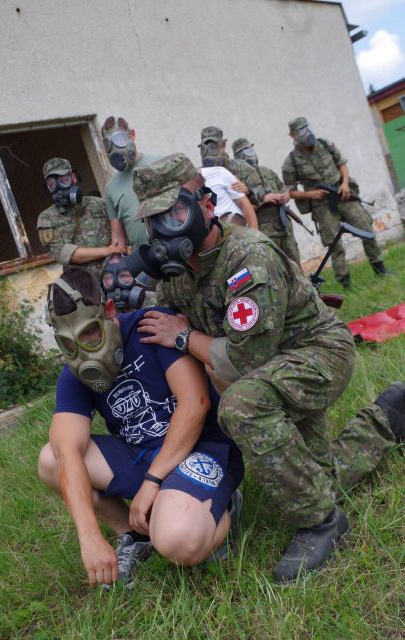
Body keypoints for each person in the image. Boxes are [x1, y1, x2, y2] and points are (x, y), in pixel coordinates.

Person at [129, 152, 405, 583]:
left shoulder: (247, 257)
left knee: (242, 405)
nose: (165, 230)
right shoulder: (178, 274)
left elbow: (245, 358)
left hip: (316, 354)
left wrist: (183, 336)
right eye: (153, 221)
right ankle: (387, 416)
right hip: (267, 370)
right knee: (319, 477)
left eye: (175, 213)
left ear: (206, 204)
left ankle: (321, 522)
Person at [37, 266, 244, 589]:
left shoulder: (153, 327)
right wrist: (89, 537)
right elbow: (67, 452)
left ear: (109, 310)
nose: (83, 351)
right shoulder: (73, 375)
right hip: (141, 455)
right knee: (52, 459)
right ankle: (134, 534)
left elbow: (196, 404)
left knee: (177, 540)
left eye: (90, 333)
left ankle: (222, 507)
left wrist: (152, 481)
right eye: (69, 343)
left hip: (200, 448)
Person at [281, 117, 393, 288]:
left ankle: (380, 269)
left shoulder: (325, 144)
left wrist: (345, 183)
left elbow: (342, 164)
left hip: (343, 195)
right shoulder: (291, 162)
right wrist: (311, 194)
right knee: (334, 244)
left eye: (307, 128)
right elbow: (290, 191)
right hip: (322, 205)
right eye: (301, 130)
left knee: (365, 228)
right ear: (292, 136)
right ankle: (345, 283)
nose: (306, 132)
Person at [37, 158, 114, 280]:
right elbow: (65, 254)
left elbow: (119, 238)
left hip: (113, 275)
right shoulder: (46, 219)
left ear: (73, 178)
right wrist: (107, 251)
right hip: (82, 284)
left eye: (64, 181)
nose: (59, 188)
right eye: (52, 185)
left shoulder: (100, 204)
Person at [232, 137, 301, 266]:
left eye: (250, 149)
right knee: (274, 266)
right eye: (243, 152)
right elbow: (241, 209)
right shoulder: (237, 181)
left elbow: (284, 190)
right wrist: (264, 199)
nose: (249, 154)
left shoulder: (267, 172)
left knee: (294, 262)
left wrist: (285, 196)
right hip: (264, 229)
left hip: (283, 225)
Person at [102, 116, 161, 252]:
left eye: (119, 139)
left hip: (175, 248)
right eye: (108, 144)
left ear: (132, 134)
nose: (114, 149)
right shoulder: (111, 188)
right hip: (145, 259)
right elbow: (118, 240)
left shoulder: (160, 162)